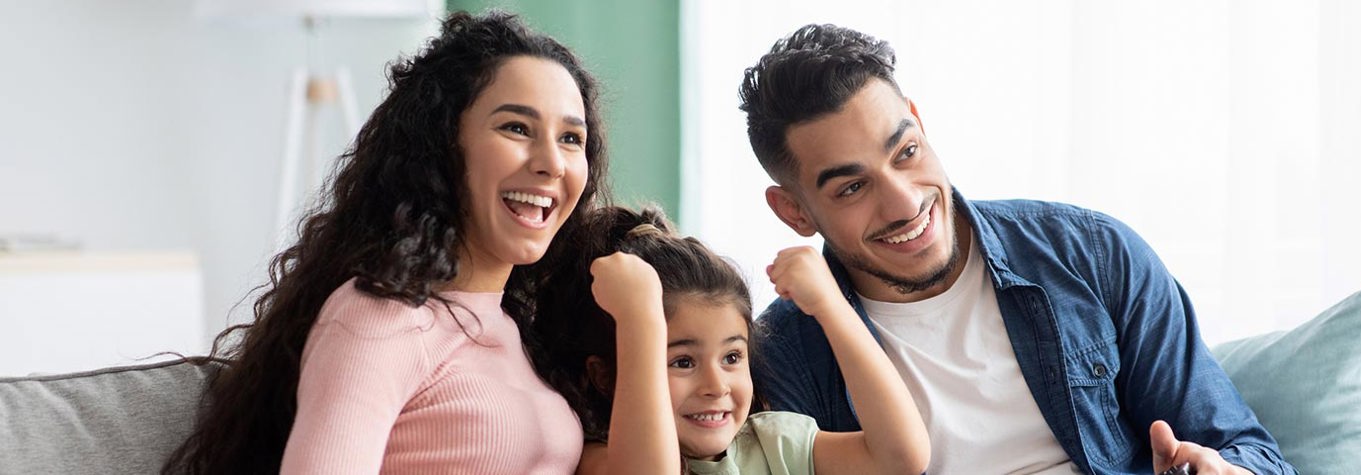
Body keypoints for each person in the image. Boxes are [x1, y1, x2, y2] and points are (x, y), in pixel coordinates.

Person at [738, 23, 1296, 474]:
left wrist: (1225, 471)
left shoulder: (1092, 255)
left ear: (921, 123)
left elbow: (1252, 452)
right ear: (795, 211)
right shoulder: (783, 355)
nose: (904, 203)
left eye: (906, 152)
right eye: (853, 188)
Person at [164, 11, 610, 474]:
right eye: (516, 128)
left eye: (571, 138)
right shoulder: (381, 316)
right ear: (442, 145)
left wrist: (643, 324)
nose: (552, 163)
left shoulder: (523, 329)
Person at [531, 206, 929, 475]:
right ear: (605, 376)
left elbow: (901, 456)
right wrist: (640, 318)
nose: (716, 386)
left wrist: (832, 307)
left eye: (732, 357)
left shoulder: (772, 446)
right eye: (682, 361)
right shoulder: (602, 459)